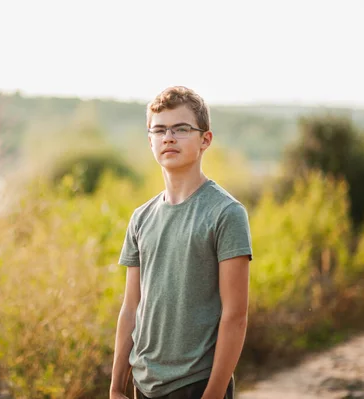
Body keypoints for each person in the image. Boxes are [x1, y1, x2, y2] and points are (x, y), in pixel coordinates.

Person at [109, 86, 253, 399]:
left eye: (181, 129)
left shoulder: (226, 213)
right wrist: (116, 385)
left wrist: (213, 394)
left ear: (205, 140)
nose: (169, 137)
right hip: (143, 382)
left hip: (196, 384)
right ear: (150, 140)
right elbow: (131, 307)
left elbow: (235, 316)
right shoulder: (141, 218)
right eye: (159, 130)